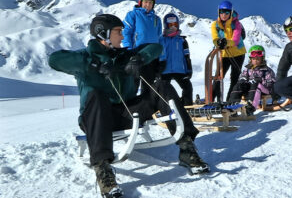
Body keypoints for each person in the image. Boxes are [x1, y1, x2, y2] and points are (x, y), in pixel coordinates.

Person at [48, 14, 209, 198]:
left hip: (129, 112)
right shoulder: (85, 56)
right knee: (96, 95)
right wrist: (94, 64)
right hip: (97, 118)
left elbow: (155, 47)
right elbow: (54, 59)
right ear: (103, 33)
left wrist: (139, 58)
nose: (123, 36)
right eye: (118, 32)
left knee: (161, 85)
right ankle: (103, 168)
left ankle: (187, 148)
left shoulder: (124, 56)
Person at [121, 0, 162, 94]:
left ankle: (147, 109)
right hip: (136, 55)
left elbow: (159, 39)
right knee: (133, 86)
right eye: (146, 2)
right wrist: (129, 52)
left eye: (150, 3)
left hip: (151, 56)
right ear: (140, 2)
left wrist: (160, 58)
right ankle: (130, 109)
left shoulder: (157, 19)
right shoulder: (133, 15)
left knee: (148, 87)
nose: (148, 5)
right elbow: (126, 33)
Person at [210, 0, 246, 102]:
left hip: (238, 54)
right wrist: (218, 42)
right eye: (221, 12)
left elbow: (235, 40)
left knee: (234, 78)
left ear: (230, 13)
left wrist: (225, 42)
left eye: (227, 12)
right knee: (218, 77)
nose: (224, 15)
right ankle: (211, 100)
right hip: (224, 54)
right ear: (218, 12)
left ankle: (231, 100)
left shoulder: (236, 24)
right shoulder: (215, 25)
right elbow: (215, 38)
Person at [228, 45, 276, 115]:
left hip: (265, 89)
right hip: (250, 89)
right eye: (254, 59)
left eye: (258, 59)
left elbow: (271, 82)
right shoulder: (248, 69)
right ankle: (232, 106)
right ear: (250, 59)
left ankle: (250, 107)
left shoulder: (267, 70)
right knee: (238, 85)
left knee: (256, 84)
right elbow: (243, 76)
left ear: (262, 59)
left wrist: (260, 81)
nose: (255, 61)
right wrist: (243, 80)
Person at [159, 13, 194, 106]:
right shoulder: (161, 39)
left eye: (175, 25)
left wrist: (189, 70)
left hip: (179, 70)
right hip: (165, 71)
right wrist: (157, 70)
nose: (173, 27)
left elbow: (186, 57)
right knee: (164, 90)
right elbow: (157, 55)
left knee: (187, 87)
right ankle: (164, 108)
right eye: (170, 25)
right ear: (166, 25)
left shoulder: (182, 40)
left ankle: (187, 107)